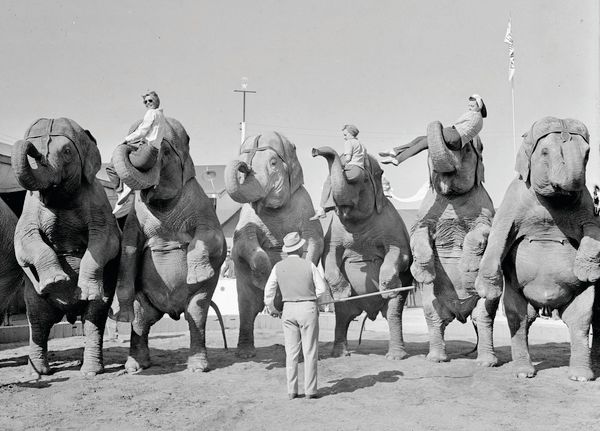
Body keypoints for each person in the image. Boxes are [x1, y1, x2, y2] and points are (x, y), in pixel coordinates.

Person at [264, 232, 330, 400]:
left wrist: (272, 308)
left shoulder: (278, 267)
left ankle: (292, 391)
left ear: (287, 250)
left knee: (291, 353)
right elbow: (321, 289)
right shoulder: (309, 265)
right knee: (310, 351)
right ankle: (310, 391)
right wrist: (317, 301)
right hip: (307, 308)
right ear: (300, 248)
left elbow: (269, 292)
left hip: (288, 309)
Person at [379, 94, 487, 166]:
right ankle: (395, 151)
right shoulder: (478, 119)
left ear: (479, 106)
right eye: (469, 105)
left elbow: (457, 124)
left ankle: (398, 159)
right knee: (420, 139)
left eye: (472, 105)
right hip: (457, 140)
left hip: (455, 135)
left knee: (423, 143)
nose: (469, 107)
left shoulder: (474, 115)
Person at [107, 90, 167, 215]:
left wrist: (124, 140)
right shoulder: (162, 117)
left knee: (111, 167)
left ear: (157, 100)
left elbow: (141, 131)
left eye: (150, 100)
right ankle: (130, 184)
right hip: (152, 157)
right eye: (145, 102)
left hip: (145, 152)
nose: (148, 103)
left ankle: (120, 191)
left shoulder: (151, 113)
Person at [310, 124, 367, 220]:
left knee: (330, 180)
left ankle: (322, 209)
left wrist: (339, 165)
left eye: (345, 135)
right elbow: (366, 163)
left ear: (350, 133)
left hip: (352, 169)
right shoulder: (362, 146)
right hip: (361, 172)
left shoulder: (349, 143)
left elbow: (347, 158)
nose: (345, 138)